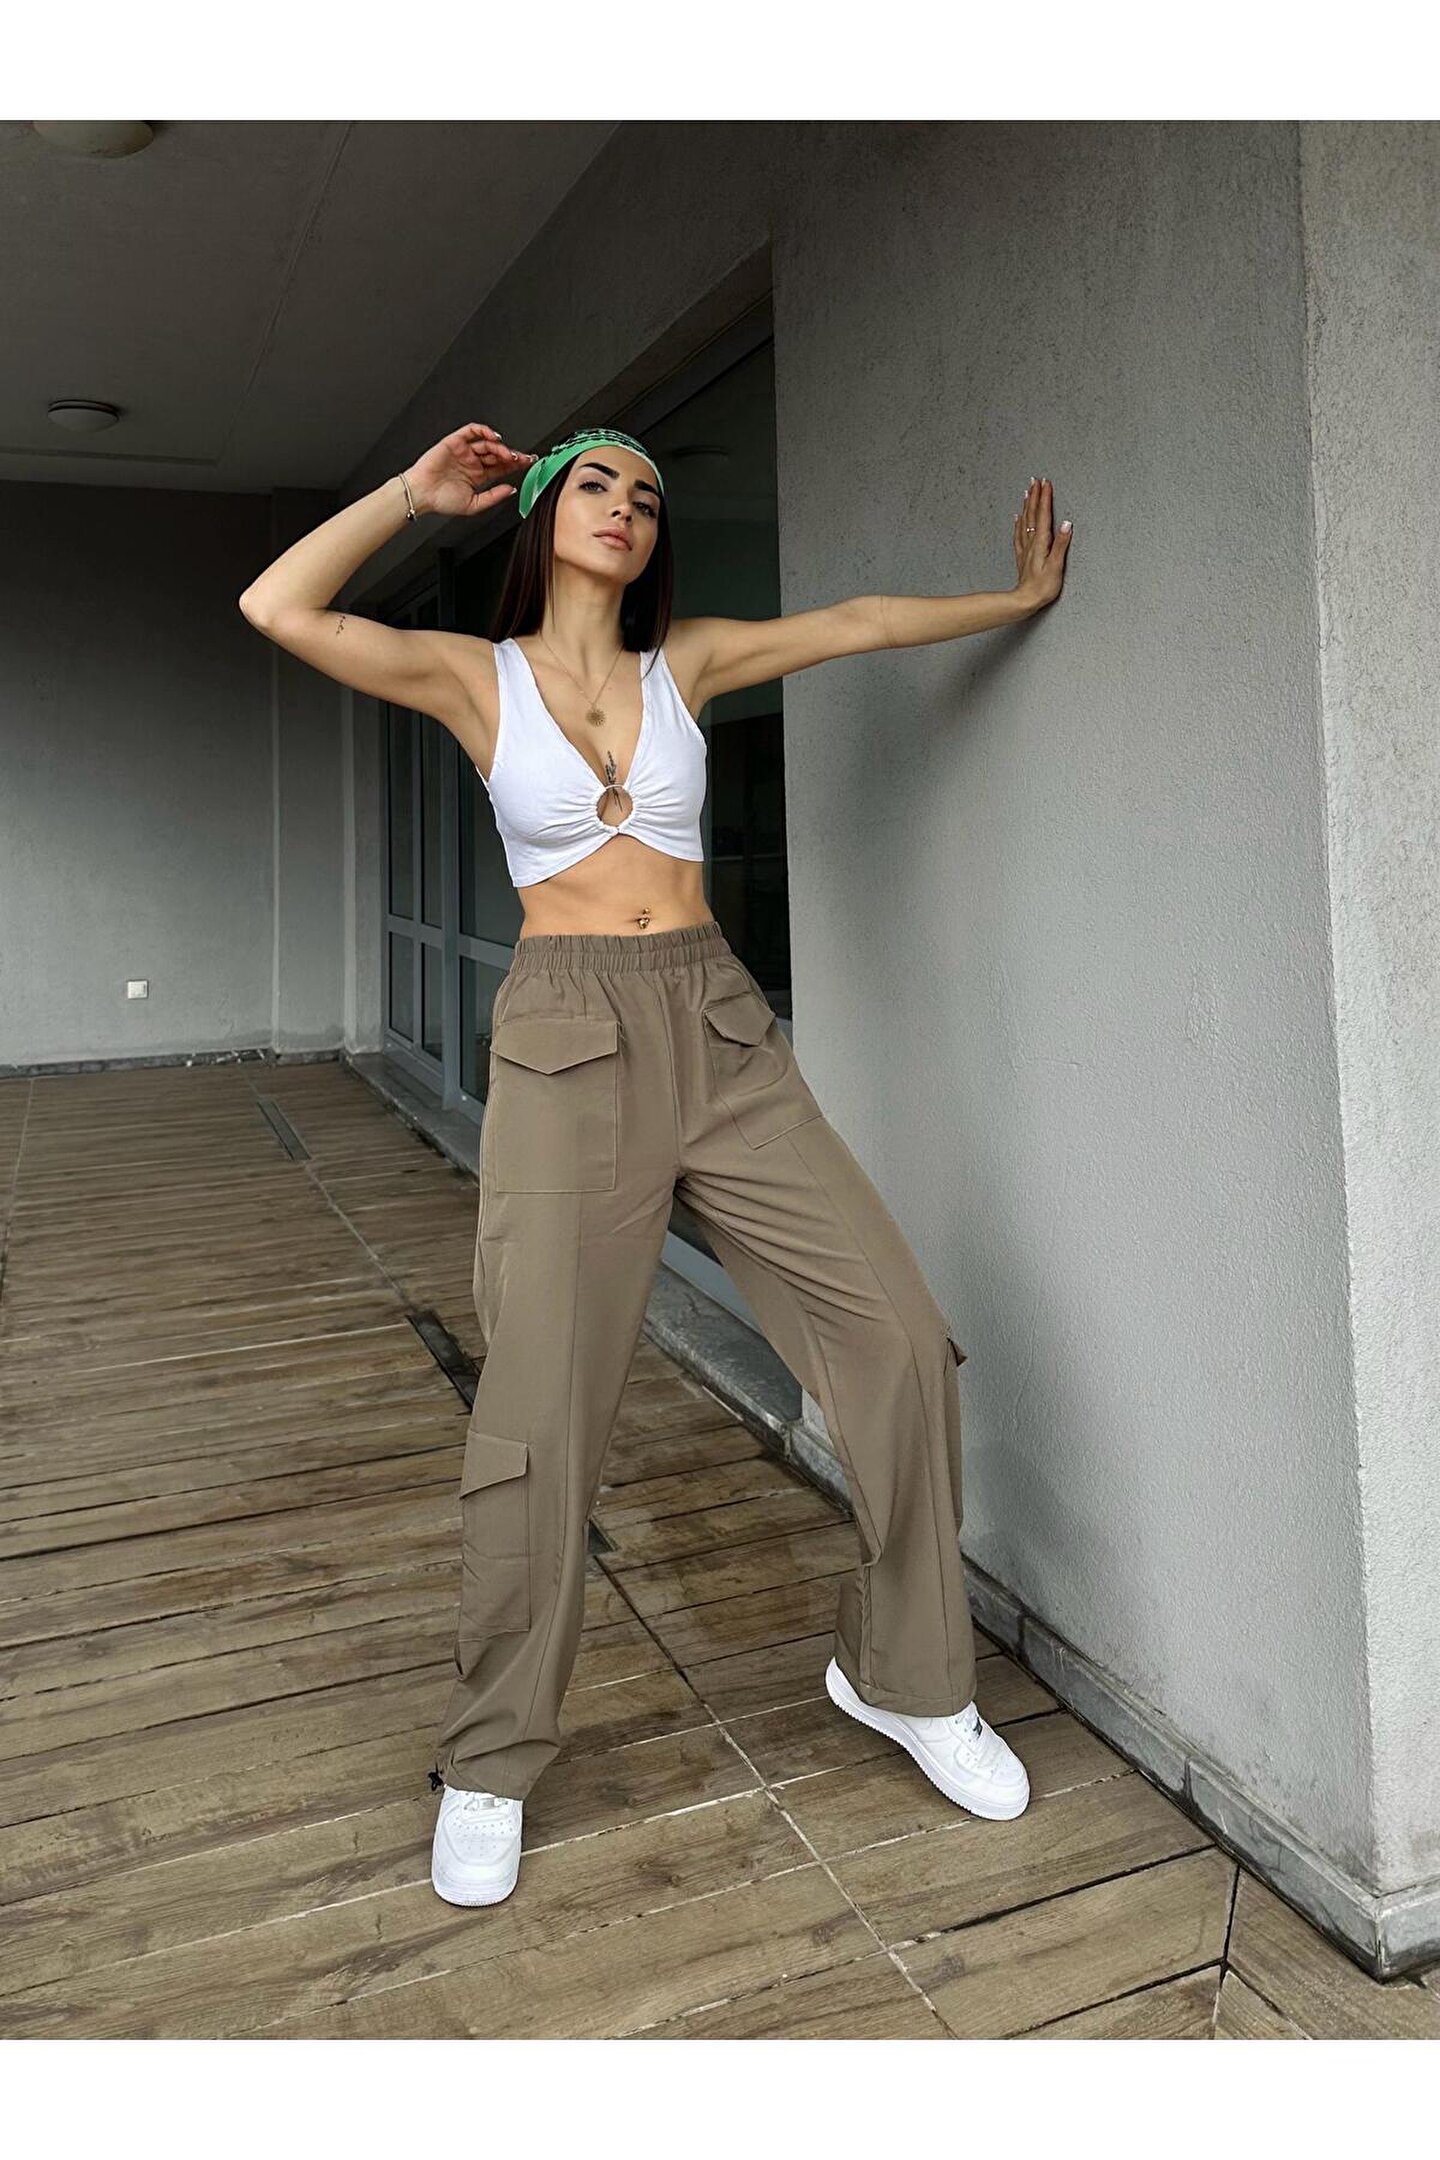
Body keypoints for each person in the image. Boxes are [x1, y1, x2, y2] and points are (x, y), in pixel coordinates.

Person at [239, 421, 1073, 1909]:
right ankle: (492, 1757)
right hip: (567, 1044)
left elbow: (862, 623)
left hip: (720, 1029)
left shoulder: (685, 663)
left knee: (895, 1344)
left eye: (646, 493)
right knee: (541, 1410)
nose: (625, 506)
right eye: (596, 484)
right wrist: (409, 499)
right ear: (543, 512)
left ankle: (905, 1676)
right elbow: (278, 607)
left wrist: (1010, 604)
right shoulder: (475, 678)